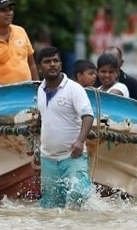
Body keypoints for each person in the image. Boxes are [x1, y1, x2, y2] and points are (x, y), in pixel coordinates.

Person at [36, 46, 94, 209]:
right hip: (48, 157)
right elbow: (44, 116)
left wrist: (80, 141)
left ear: (61, 64)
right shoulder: (40, 89)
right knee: (51, 207)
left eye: (55, 61)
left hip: (72, 156)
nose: (52, 64)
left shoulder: (74, 89)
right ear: (40, 68)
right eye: (47, 62)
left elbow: (88, 115)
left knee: (78, 194)